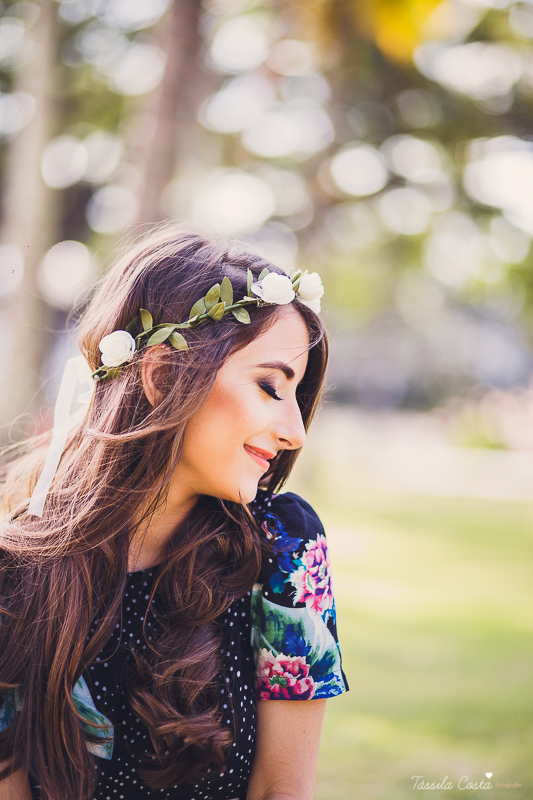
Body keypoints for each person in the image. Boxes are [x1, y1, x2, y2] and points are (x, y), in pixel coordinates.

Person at [0, 225, 348, 800]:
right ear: (163, 374)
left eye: (297, 396)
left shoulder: (284, 548)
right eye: (269, 387)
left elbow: (281, 793)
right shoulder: (16, 572)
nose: (295, 432)